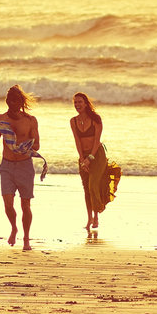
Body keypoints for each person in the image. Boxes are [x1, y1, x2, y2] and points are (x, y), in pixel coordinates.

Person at [0, 85, 45, 250]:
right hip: (6, 165)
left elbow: (38, 145)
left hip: (24, 166)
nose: (12, 104)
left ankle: (26, 238)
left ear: (21, 102)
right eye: (10, 101)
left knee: (25, 205)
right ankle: (14, 227)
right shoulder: (1, 118)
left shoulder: (30, 120)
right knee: (7, 203)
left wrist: (21, 145)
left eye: (16, 101)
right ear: (7, 102)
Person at [70, 92, 119, 237]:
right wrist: (81, 159)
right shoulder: (73, 121)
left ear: (86, 104)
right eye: (75, 103)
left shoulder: (96, 119)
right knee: (86, 188)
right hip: (83, 157)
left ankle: (96, 216)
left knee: (93, 185)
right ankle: (89, 218)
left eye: (80, 102)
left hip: (97, 156)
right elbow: (77, 141)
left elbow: (97, 141)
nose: (77, 105)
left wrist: (89, 158)